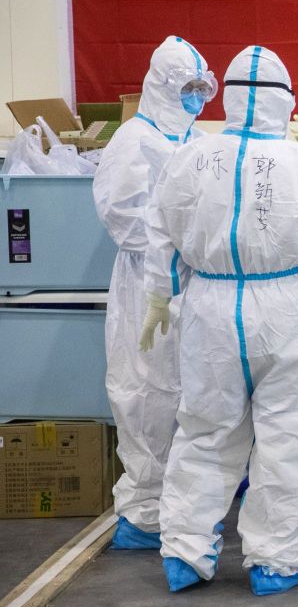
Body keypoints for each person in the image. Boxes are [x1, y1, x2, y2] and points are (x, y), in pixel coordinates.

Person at [141, 45, 298, 596]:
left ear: (228, 96)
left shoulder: (189, 159)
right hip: (290, 309)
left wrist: (159, 297)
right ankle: (277, 558)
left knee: (203, 429)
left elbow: (160, 233)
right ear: (286, 101)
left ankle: (184, 553)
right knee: (292, 434)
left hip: (210, 308)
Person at [92, 35, 216, 550]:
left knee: (190, 390)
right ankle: (144, 511)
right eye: (186, 88)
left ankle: (182, 503)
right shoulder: (131, 139)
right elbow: (122, 216)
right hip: (146, 283)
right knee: (146, 392)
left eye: (200, 88)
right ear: (162, 85)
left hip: (189, 281)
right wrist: (179, 240)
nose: (194, 97)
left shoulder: (193, 138)